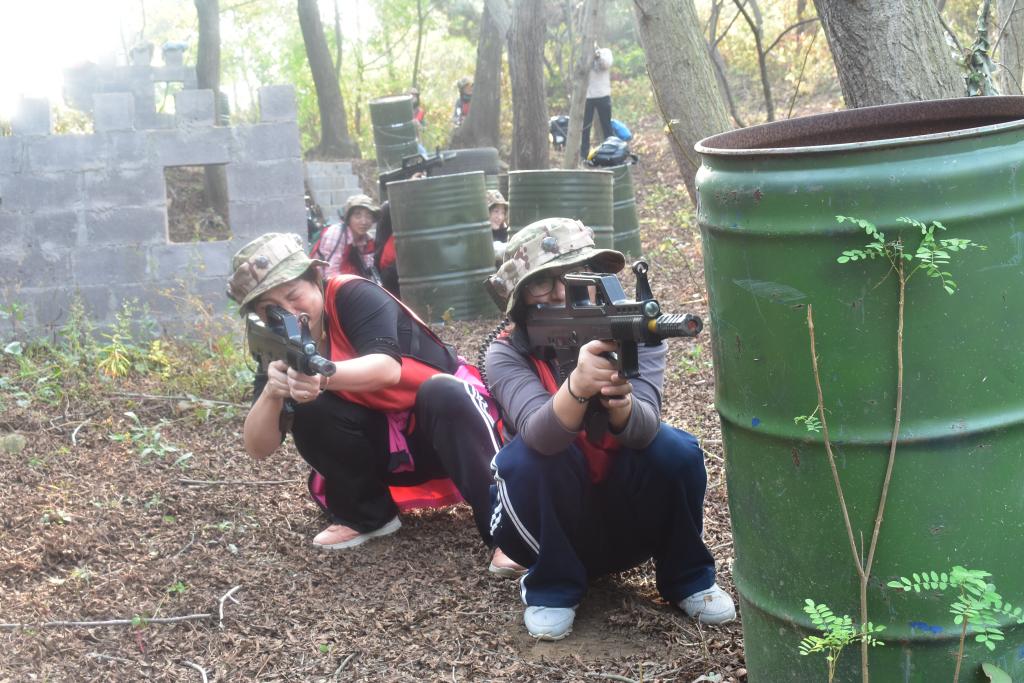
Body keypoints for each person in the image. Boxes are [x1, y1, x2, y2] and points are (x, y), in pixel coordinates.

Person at [483, 217, 736, 640]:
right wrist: (578, 387)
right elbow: (540, 436)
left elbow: (645, 430)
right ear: (520, 297)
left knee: (676, 450)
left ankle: (689, 577)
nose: (561, 291)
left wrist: (622, 405)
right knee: (524, 460)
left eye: (575, 274)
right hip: (542, 522)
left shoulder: (631, 329)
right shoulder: (506, 353)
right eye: (542, 282)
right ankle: (552, 587)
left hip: (622, 519)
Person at [227, 233, 524, 573]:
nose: (289, 312)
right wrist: (273, 391)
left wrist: (321, 377)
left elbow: (386, 368)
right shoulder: (276, 342)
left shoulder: (352, 295)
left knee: (443, 392)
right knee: (309, 407)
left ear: (316, 279)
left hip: (452, 433)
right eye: (271, 309)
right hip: (387, 448)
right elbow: (258, 448)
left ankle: (510, 534)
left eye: (294, 295)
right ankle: (367, 515)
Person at [311, 194, 380, 281]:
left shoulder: (367, 239)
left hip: (350, 279)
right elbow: (331, 274)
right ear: (349, 218)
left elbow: (368, 268)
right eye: (357, 216)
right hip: (322, 283)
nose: (364, 222)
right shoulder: (336, 234)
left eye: (369, 216)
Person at [581, 46, 613, 162]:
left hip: (603, 95)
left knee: (606, 126)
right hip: (588, 97)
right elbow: (581, 71)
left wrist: (597, 56)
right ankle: (584, 155)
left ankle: (610, 152)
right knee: (585, 127)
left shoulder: (606, 52)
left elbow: (606, 65)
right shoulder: (584, 54)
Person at [486, 189, 509, 266]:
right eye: (496, 211)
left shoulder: (506, 233)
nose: (500, 217)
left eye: (503, 213)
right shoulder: (479, 237)